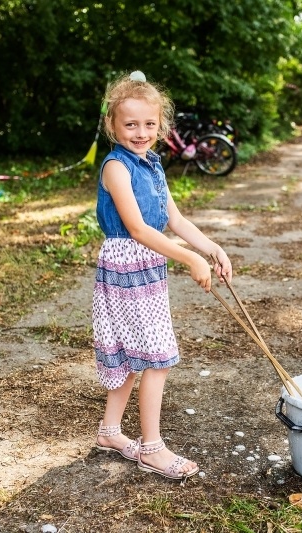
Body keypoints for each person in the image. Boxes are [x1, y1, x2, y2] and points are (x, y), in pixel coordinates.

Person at [92, 71, 233, 479]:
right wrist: (189, 259)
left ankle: (110, 432)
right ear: (112, 126)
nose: (140, 132)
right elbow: (137, 228)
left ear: (161, 126)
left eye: (149, 124)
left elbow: (174, 218)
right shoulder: (116, 167)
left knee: (136, 354)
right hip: (125, 267)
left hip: (147, 265)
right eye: (130, 124)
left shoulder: (152, 163)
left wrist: (210, 247)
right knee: (156, 357)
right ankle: (151, 448)